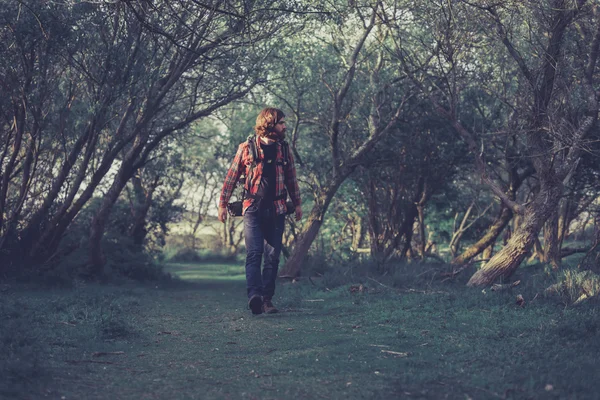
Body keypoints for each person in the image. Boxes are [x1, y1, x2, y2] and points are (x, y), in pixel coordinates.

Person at [218, 108, 302, 315]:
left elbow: (291, 178)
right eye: (281, 123)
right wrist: (222, 203)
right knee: (254, 253)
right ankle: (254, 296)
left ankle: (267, 300)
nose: (284, 127)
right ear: (269, 123)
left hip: (278, 208)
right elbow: (231, 176)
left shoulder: (284, 149)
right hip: (252, 208)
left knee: (273, 257)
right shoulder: (246, 147)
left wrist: (297, 204)